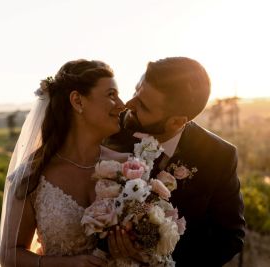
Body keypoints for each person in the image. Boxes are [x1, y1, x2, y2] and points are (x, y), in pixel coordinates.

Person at [105, 57, 245, 267]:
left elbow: (230, 237)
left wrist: (159, 260)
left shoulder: (218, 156)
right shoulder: (109, 130)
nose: (128, 104)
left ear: (178, 121)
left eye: (143, 105)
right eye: (136, 91)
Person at [0, 59, 128, 267]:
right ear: (78, 101)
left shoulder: (130, 169)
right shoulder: (32, 175)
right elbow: (9, 255)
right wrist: (62, 264)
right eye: (111, 95)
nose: (122, 105)